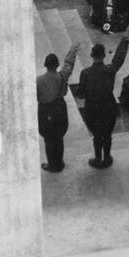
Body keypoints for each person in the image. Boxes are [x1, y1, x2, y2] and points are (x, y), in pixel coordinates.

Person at [76, 21, 129, 169]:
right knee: (107, 134)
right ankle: (107, 157)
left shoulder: (85, 73)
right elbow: (119, 58)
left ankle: (97, 158)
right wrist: (125, 36)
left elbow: (81, 94)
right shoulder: (110, 70)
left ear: (91, 55)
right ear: (103, 55)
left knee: (97, 135)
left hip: (92, 108)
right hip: (108, 106)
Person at [37, 43, 81, 173]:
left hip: (45, 110)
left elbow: (37, 96)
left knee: (48, 138)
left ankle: (52, 164)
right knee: (59, 137)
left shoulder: (39, 80)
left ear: (45, 65)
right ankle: (59, 162)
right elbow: (69, 65)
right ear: (57, 65)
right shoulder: (62, 76)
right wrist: (73, 50)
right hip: (60, 108)